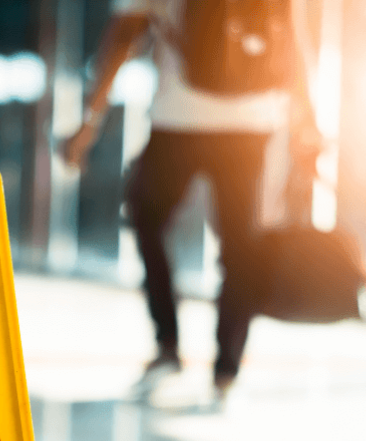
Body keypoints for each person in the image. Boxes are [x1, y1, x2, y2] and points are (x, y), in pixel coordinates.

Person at [64, 0, 322, 397]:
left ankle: (168, 345)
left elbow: (123, 36)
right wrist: (307, 123)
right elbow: (292, 41)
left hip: (179, 118)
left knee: (146, 216)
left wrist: (89, 121)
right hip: (253, 121)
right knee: (241, 247)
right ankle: (226, 369)